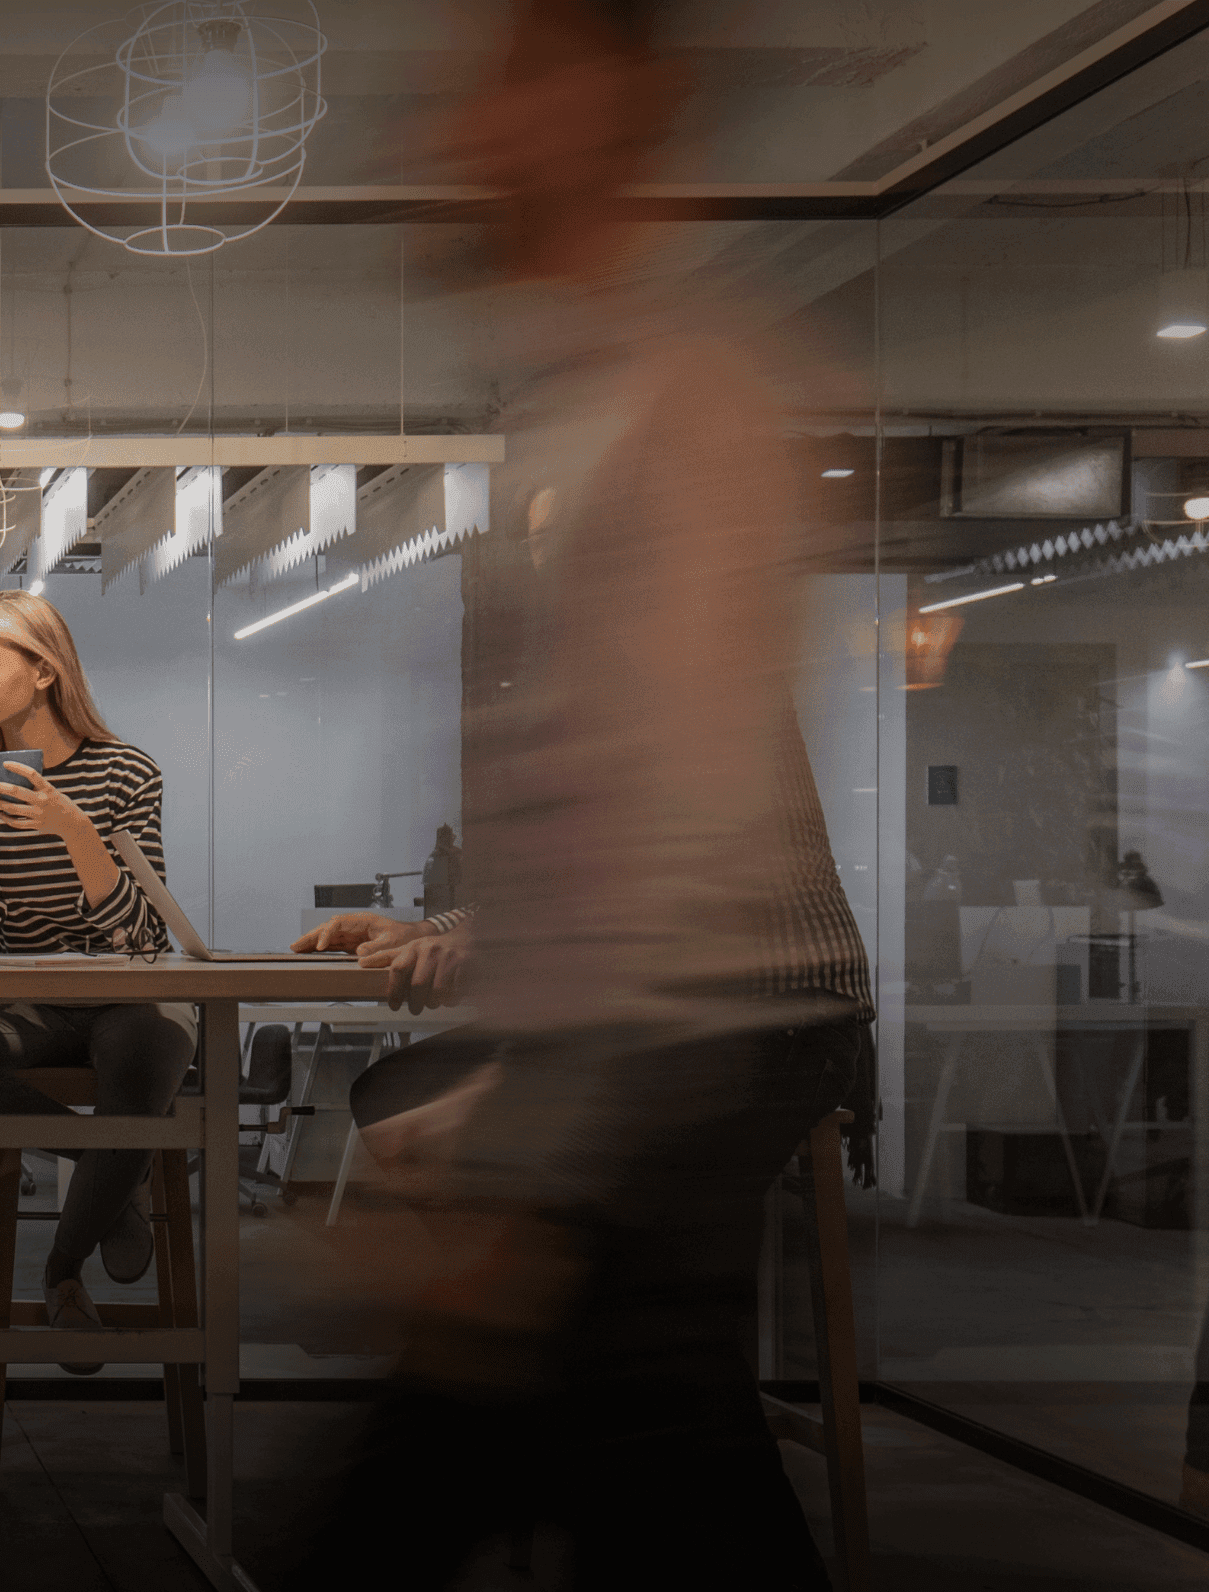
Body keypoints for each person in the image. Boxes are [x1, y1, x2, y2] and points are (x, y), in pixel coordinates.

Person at [273, 3, 873, 1587]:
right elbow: (613, 807)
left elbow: (670, 815)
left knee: (450, 1499)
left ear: (610, 116)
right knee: (636, 1480)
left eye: (499, 95)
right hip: (649, 1054)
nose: (449, 138)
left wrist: (528, 1143)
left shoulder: (690, 406)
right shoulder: (594, 399)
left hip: (694, 1044)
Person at [0, 589, 189, 1373]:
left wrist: (76, 832)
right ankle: (112, 1171)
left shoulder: (126, 772)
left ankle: (62, 1271)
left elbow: (142, 936)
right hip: (27, 1006)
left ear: (43, 672)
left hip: (124, 999)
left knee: (145, 1048)